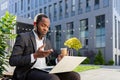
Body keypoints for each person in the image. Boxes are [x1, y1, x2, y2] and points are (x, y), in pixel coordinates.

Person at [9, 13, 81, 80]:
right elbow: (13, 60)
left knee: (75, 76)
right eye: (43, 25)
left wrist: (57, 60)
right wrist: (34, 56)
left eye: (47, 27)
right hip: (28, 71)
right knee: (53, 78)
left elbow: (49, 61)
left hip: (45, 70)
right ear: (35, 24)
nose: (45, 29)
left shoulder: (47, 42)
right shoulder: (23, 37)